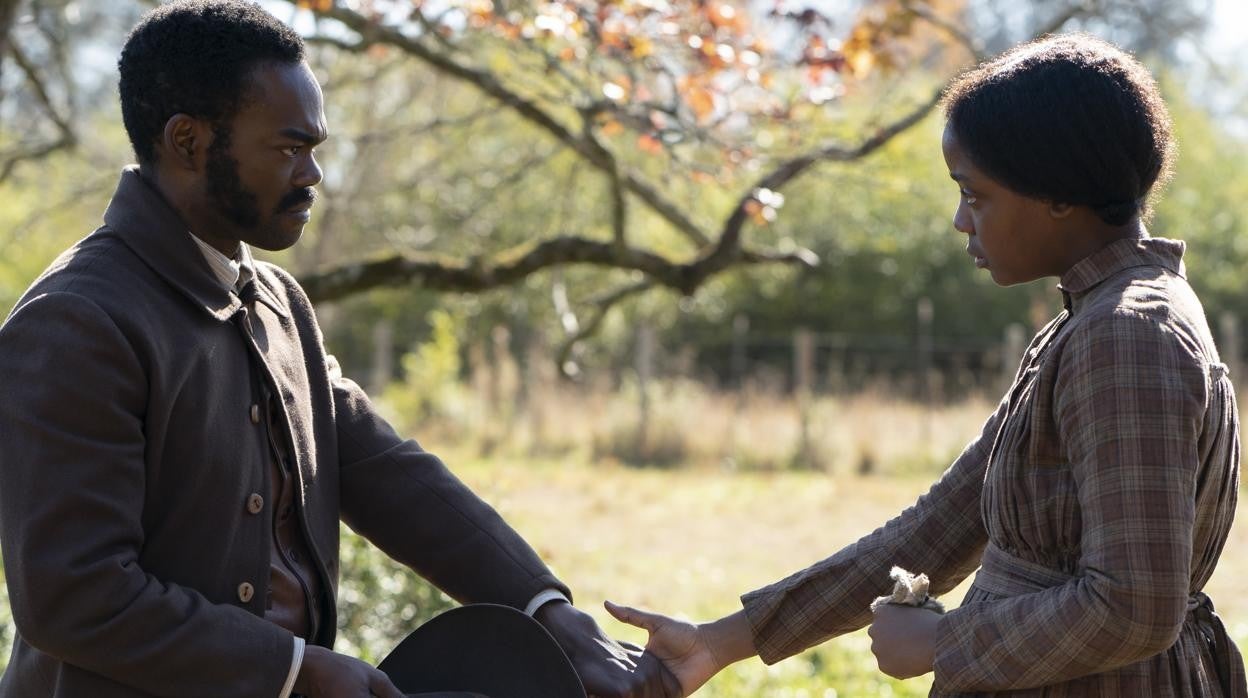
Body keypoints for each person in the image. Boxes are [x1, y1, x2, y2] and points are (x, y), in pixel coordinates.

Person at [0, 2, 677, 697]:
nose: (313, 174)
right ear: (188, 142)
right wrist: (294, 671)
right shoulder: (76, 323)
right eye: (289, 148)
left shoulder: (279, 303)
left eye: (315, 148)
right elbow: (74, 598)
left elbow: (386, 471)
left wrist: (549, 613)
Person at [606, 33, 1247, 697]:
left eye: (976, 195)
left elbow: (1134, 607)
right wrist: (720, 640)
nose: (960, 221)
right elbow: (939, 528)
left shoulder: (1127, 334)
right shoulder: (1089, 323)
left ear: (1057, 193)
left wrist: (944, 640)